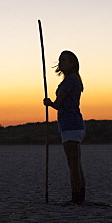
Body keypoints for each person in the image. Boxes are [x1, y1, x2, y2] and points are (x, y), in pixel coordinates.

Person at [43, 50, 86, 204]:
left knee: (73, 163)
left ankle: (76, 196)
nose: (61, 63)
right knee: (76, 162)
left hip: (70, 125)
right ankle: (80, 194)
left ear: (72, 63)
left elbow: (58, 103)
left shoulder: (70, 81)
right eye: (60, 60)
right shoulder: (75, 80)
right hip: (75, 124)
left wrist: (49, 103)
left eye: (64, 60)